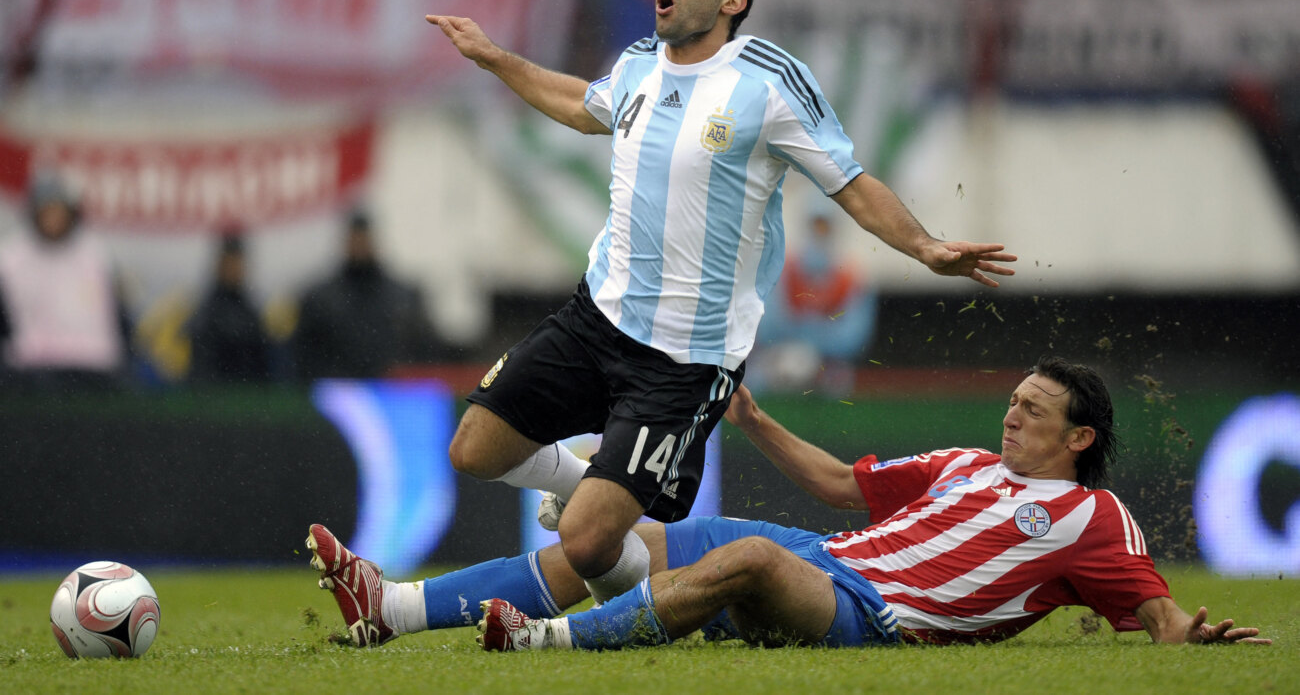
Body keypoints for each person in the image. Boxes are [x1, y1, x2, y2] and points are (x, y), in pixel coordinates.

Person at [423, 0, 1017, 610]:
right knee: (473, 449)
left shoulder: (767, 81)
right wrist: (494, 58)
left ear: (732, 1)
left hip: (685, 356)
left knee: (588, 544)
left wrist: (925, 246)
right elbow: (583, 107)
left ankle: (638, 614)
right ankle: (582, 481)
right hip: (597, 318)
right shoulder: (640, 63)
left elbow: (848, 182)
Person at [303, 355, 1269, 650]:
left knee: (743, 562)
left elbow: (1153, 611)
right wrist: (754, 420)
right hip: (830, 552)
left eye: (1031, 410)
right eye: (1013, 402)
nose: (1010, 415)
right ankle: (391, 607)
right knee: (629, 543)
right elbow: (846, 486)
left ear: (1081, 437)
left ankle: (542, 638)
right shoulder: (971, 464)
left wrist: (1190, 635)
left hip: (876, 616)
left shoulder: (1094, 522)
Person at [0, 170, 129, 391]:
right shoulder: (10, 258)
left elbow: (119, 316)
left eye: (60, 211)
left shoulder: (96, 254)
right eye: (47, 211)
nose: (54, 219)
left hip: (94, 369)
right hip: (29, 370)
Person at [292, 211, 441, 380]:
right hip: (338, 395)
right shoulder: (319, 299)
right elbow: (305, 357)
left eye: (364, 239)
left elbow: (423, 352)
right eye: (355, 239)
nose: (360, 245)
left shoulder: (404, 298)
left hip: (392, 395)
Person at [750, 210, 879, 394]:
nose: (819, 234)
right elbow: (766, 325)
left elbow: (854, 336)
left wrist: (814, 347)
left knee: (838, 383)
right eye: (815, 227)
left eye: (825, 228)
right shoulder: (782, 270)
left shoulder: (851, 277)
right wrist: (799, 344)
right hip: (780, 357)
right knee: (762, 375)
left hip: (831, 364)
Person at [185, 232, 271, 384]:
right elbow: (202, 370)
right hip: (217, 397)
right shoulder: (206, 313)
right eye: (229, 263)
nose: (234, 269)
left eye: (238, 263)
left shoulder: (250, 309)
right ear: (219, 265)